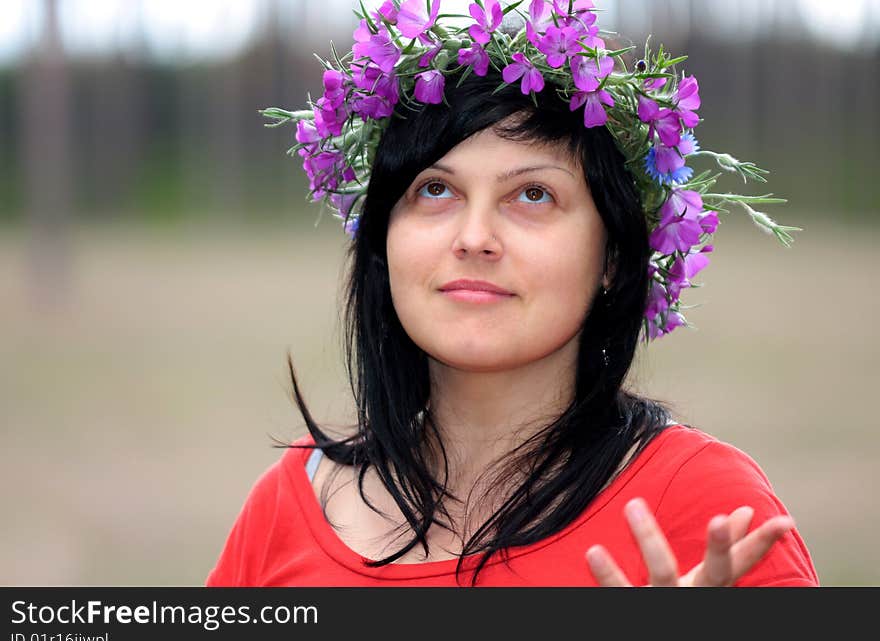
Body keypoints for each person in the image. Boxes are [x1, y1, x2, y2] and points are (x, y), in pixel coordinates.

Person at [206, 0, 817, 587]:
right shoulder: (289, 503)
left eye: (533, 195)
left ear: (612, 256)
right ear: (382, 241)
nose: (475, 239)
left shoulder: (707, 510)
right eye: (435, 191)